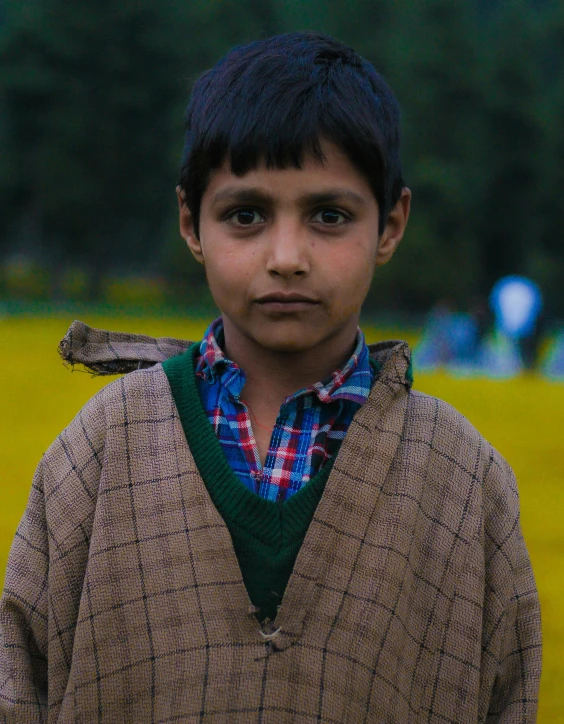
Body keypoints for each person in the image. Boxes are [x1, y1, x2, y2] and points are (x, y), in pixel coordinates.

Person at [0, 32, 541, 722]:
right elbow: (19, 684)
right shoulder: (101, 450)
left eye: (329, 215)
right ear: (192, 224)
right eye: (246, 215)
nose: (287, 256)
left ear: (391, 223)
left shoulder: (465, 481)